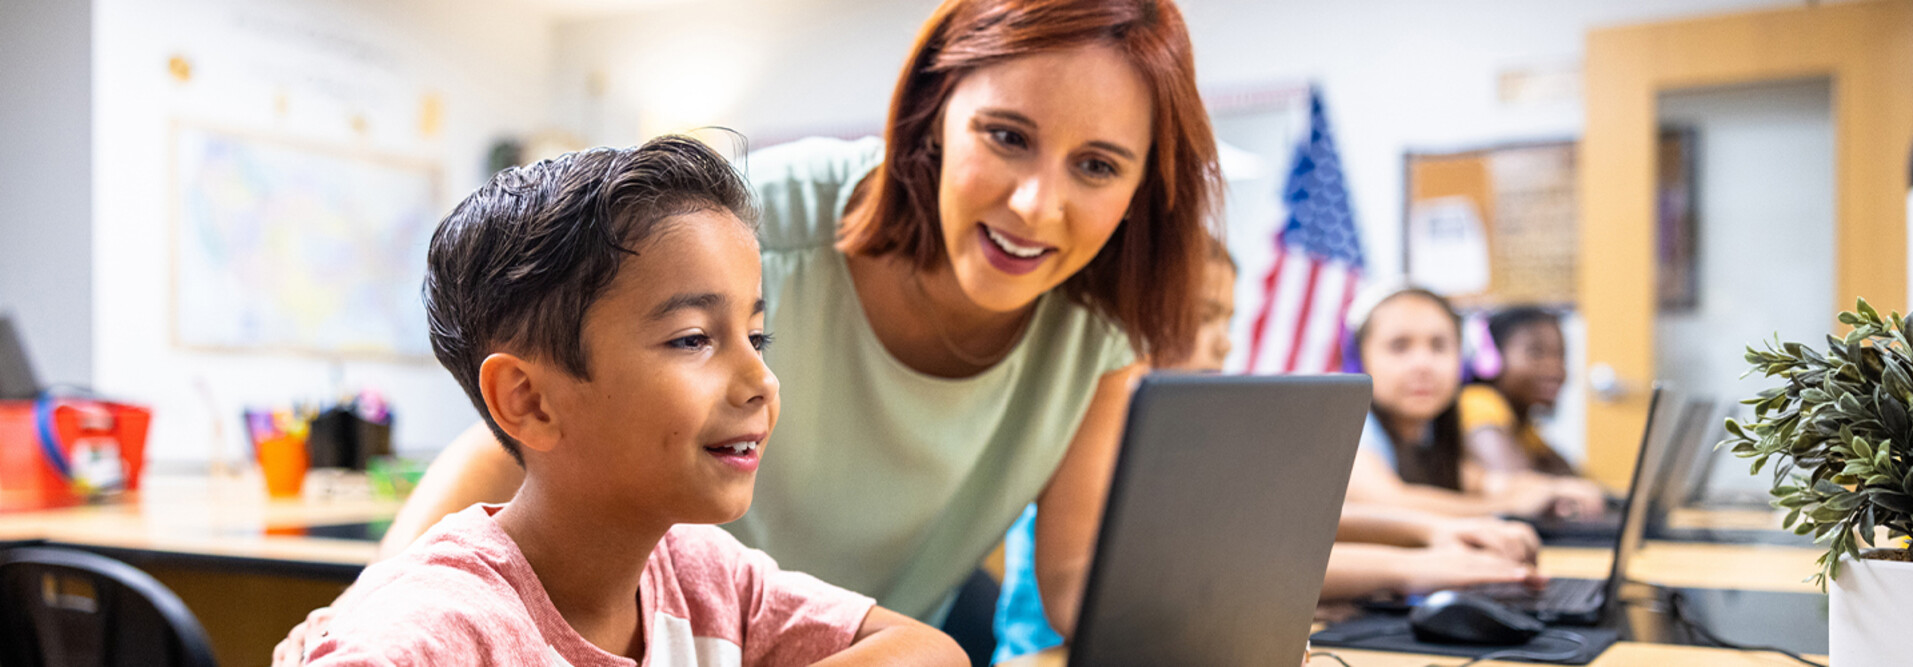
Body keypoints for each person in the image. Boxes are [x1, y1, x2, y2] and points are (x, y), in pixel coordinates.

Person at [280, 1, 1221, 661]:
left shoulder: (1104, 322)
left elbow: (1061, 582)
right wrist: (368, 609)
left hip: (789, 633)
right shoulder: (737, 222)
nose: (1037, 203)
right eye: (1006, 136)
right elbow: (521, 438)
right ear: (935, 116)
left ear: (1144, 186)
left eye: (1099, 165)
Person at [297, 137, 964, 666]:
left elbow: (929, 651)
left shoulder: (701, 575)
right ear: (529, 401)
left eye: (757, 336)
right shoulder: (440, 626)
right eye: (693, 339)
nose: (762, 380)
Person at [989, 251, 1542, 663]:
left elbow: (1265, 532)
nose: (1225, 342)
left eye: (1227, 320)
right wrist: (1408, 566)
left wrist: (1425, 534)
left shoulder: (1190, 437)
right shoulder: (1092, 432)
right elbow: (1209, 570)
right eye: (1202, 316)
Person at [1341, 285, 1606, 519]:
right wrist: (1510, 505)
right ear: (1359, 360)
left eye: (1439, 346)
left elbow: (1486, 482)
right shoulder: (1349, 426)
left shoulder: (1430, 432)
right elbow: (1389, 506)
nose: (1423, 365)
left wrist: (1551, 490)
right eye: (1399, 346)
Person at [1459, 306, 1579, 475]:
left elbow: (1569, 475)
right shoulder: (1477, 401)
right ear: (1491, 359)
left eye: (1561, 355)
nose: (1555, 369)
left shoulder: (1522, 422)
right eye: (1536, 353)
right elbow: (1518, 481)